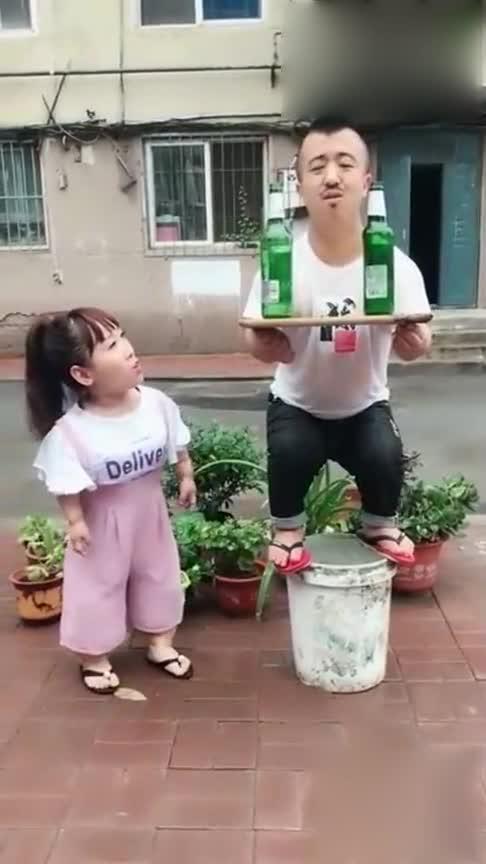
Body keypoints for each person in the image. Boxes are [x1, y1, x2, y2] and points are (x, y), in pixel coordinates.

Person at [243, 117, 432, 573]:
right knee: (289, 453)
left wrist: (415, 340)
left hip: (364, 405)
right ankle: (287, 528)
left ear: (366, 182)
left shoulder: (396, 266)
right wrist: (265, 344)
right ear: (300, 186)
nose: (331, 177)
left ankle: (380, 524)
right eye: (317, 167)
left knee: (384, 456)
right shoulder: (281, 260)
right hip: (298, 404)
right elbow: (254, 336)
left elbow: (417, 343)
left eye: (345, 165)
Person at [25, 307, 196, 694]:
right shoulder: (70, 433)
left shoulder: (156, 404)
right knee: (97, 587)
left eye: (123, 336)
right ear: (83, 374)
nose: (129, 349)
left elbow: (179, 444)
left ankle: (160, 643)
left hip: (151, 517)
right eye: (112, 345)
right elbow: (66, 485)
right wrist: (75, 522)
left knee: (160, 576)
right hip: (101, 527)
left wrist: (186, 476)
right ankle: (94, 657)